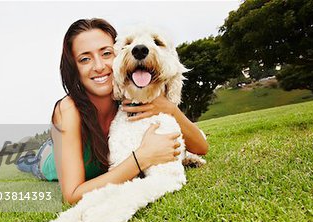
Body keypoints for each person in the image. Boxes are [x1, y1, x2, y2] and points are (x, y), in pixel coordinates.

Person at [17, 18, 208, 205]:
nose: (99, 67)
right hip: (50, 158)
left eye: (107, 53)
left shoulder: (135, 94)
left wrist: (170, 109)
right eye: (85, 59)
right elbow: (72, 195)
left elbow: (201, 148)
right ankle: (28, 160)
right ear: (74, 69)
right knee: (35, 165)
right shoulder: (68, 110)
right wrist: (142, 157)